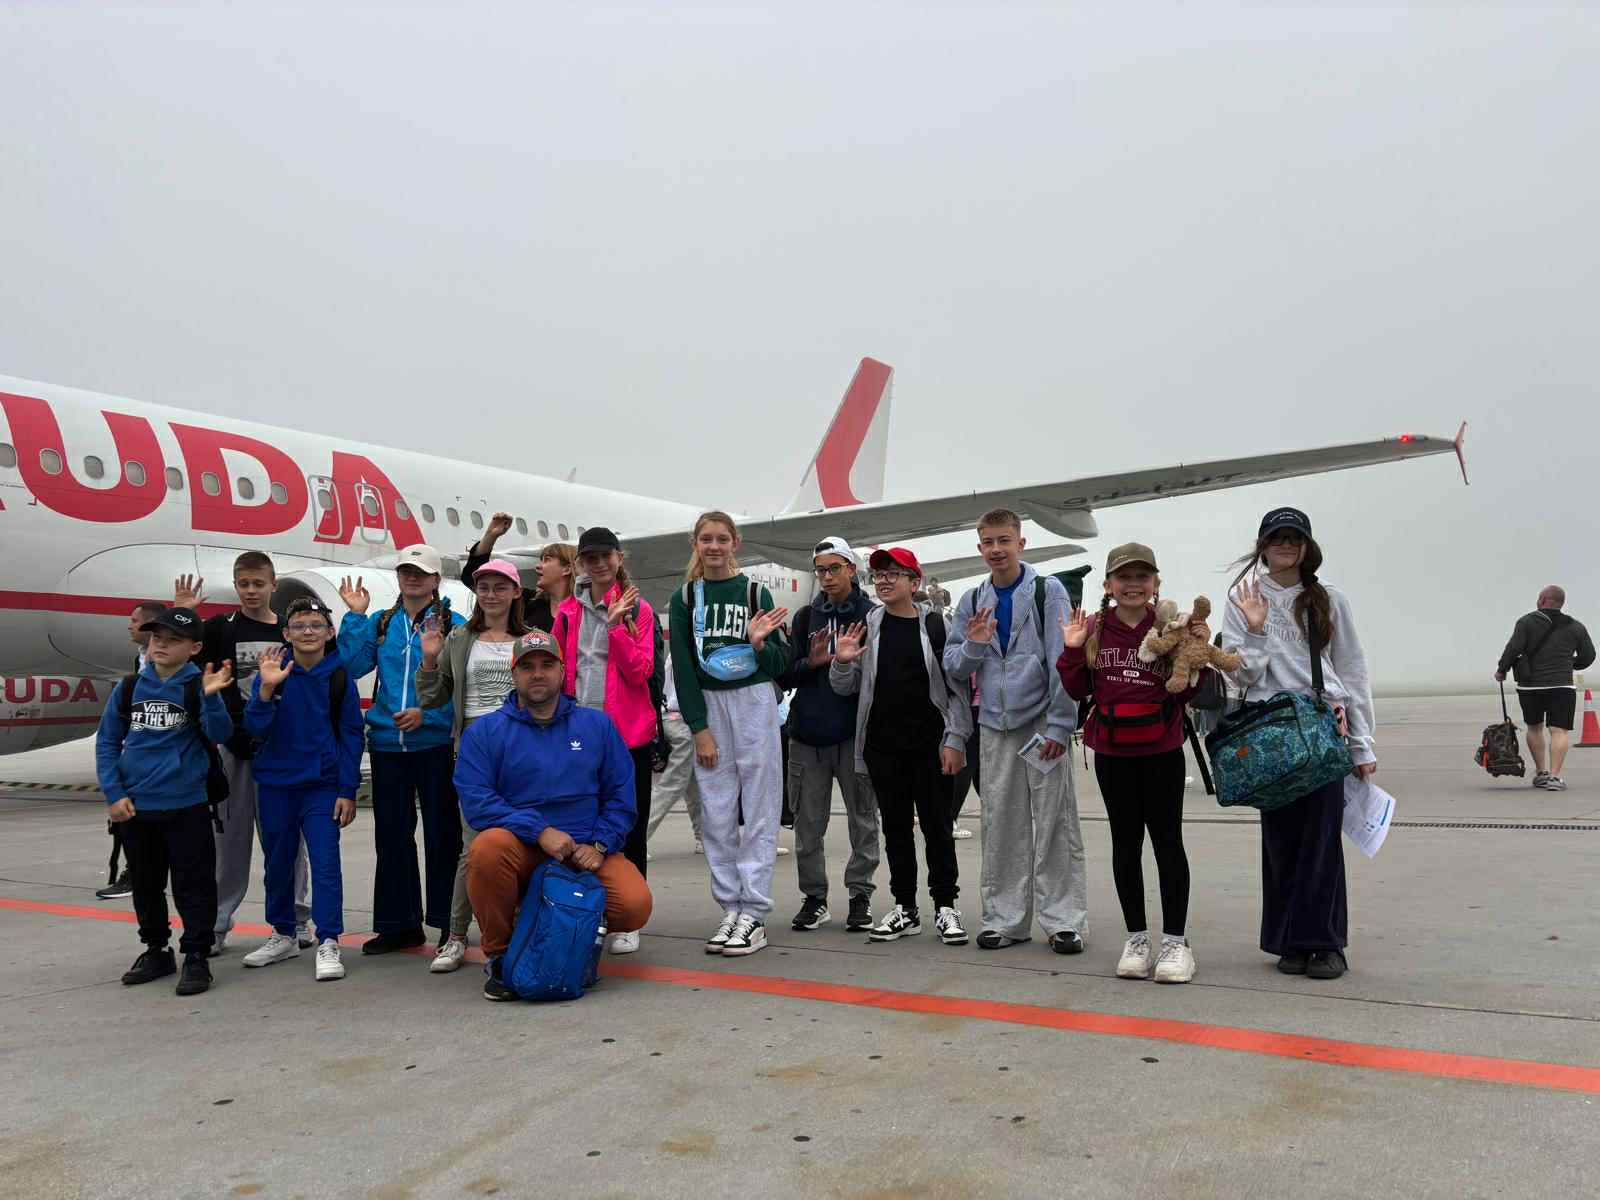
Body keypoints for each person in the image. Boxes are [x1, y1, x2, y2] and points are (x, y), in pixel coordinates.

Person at [455, 629, 653, 1001]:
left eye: (547, 665)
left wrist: (600, 844)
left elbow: (621, 796)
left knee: (634, 904)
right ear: (513, 673)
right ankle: (500, 956)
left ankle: (574, 933)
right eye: (527, 666)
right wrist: (539, 831)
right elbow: (478, 801)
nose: (537, 674)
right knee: (486, 850)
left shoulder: (596, 726)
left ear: (562, 671)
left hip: (583, 850)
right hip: (523, 847)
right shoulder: (485, 733)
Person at [1222, 507, 1375, 981]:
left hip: (1321, 723)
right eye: (1277, 537)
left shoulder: (1328, 598)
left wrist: (1362, 744)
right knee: (1281, 840)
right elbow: (1241, 676)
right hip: (1270, 730)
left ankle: (1324, 943)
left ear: (1307, 545)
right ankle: (1289, 940)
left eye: (1293, 537)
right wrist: (1255, 630)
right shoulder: (1242, 596)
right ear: (1262, 546)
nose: (1285, 545)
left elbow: (1351, 668)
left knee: (1322, 841)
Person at [1057, 544, 1205, 984]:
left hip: (1161, 750)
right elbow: (1076, 688)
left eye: (1143, 577)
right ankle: (1137, 939)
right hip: (1113, 754)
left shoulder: (1170, 627)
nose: (1133, 585)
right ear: (1108, 585)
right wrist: (1071, 650)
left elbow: (1188, 691)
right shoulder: (1094, 628)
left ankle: (1175, 942)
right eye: (1124, 577)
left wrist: (1196, 651)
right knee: (1125, 844)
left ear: (1156, 583)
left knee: (1167, 843)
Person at [942, 508, 1084, 953]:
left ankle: (1063, 920)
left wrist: (1060, 725)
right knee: (1001, 824)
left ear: (1021, 544)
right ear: (979, 547)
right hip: (995, 727)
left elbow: (1063, 661)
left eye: (1004, 540)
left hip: (1042, 723)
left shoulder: (1047, 591)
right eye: (988, 542)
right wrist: (975, 644)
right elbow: (953, 667)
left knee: (1055, 823)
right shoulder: (971, 599)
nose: (996, 549)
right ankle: (1005, 920)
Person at [831, 548, 971, 946]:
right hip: (882, 746)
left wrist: (955, 739)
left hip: (931, 746)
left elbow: (957, 689)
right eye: (879, 575)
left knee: (938, 827)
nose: (884, 581)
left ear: (914, 581)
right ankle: (905, 908)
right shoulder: (869, 626)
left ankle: (945, 906)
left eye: (894, 574)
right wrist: (842, 662)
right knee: (895, 829)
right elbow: (845, 687)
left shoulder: (937, 626)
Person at [667, 510, 790, 958]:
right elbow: (683, 668)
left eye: (722, 538)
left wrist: (759, 643)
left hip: (754, 700)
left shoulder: (755, 591)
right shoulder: (685, 598)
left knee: (760, 804)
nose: (714, 547)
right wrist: (699, 728)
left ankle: (754, 910)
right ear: (695, 544)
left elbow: (781, 664)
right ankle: (730, 906)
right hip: (710, 705)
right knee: (716, 811)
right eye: (706, 539)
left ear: (735, 543)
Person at [175, 554, 311, 956]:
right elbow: (181, 660)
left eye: (258, 583)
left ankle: (296, 920)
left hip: (280, 751)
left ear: (273, 585)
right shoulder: (220, 628)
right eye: (244, 584)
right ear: (236, 585)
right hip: (233, 749)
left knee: (285, 842)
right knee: (228, 845)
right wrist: (184, 615)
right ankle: (216, 925)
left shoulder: (289, 630)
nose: (251, 591)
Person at [94, 607, 233, 996]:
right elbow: (107, 742)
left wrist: (212, 698)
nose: (162, 645)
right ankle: (156, 949)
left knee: (194, 884)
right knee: (146, 884)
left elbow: (220, 734)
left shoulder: (197, 685)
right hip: (137, 807)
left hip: (187, 803)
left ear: (195, 648)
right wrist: (114, 793)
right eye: (157, 638)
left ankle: (196, 955)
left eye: (173, 640)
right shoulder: (129, 688)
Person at [337, 544, 464, 958]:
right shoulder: (381, 622)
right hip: (387, 745)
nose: (412, 577)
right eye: (406, 570)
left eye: (421, 572)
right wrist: (355, 617)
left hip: (435, 745)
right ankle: (399, 926)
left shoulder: (455, 625)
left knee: (443, 837)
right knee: (391, 836)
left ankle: (449, 924)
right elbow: (349, 666)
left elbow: (460, 683)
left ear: (436, 580)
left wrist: (428, 714)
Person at [413, 558, 527, 971]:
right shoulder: (461, 638)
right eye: (484, 587)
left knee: (523, 841)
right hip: (475, 752)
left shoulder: (533, 639)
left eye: (500, 587)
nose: (491, 595)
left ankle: (520, 930)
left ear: (516, 592)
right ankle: (457, 935)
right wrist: (430, 659)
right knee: (472, 847)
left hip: (523, 751)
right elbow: (433, 697)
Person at [241, 599, 363, 981]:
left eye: (315, 625)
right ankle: (284, 933)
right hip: (276, 784)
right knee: (278, 863)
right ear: (286, 633)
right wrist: (265, 690)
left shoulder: (339, 677)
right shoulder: (272, 673)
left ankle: (328, 940)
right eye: (299, 625)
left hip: (321, 787)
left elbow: (352, 736)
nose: (307, 631)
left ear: (329, 633)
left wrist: (347, 789)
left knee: (326, 864)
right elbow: (254, 728)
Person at [549, 527, 657, 955]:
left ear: (619, 557)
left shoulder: (638, 610)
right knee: (582, 827)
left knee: (630, 827)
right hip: (578, 736)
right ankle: (590, 910)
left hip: (626, 737)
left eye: (605, 556)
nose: (598, 564)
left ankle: (629, 919)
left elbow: (641, 671)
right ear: (579, 563)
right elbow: (558, 669)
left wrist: (615, 628)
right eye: (589, 557)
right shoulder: (567, 612)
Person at [776, 536, 880, 934]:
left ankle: (860, 895)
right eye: (821, 571)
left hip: (854, 737)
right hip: (808, 735)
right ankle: (814, 898)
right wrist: (812, 662)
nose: (827, 577)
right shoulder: (806, 617)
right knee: (807, 826)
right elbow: (787, 674)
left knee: (863, 821)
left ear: (851, 569)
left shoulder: (872, 616)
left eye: (835, 568)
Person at [96, 601, 170, 902]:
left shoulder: (166, 668)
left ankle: (140, 875)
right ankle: (135, 874)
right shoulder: (137, 662)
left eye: (135, 620)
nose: (129, 625)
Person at [1496, 586, 1595, 792]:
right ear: (1561, 603)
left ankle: (1541, 773)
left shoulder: (1526, 622)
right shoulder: (1575, 626)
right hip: (1562, 685)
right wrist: (1569, 664)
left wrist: (1502, 670)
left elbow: (1513, 648)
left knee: (1534, 727)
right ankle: (1555, 777)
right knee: (1559, 730)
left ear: (1542, 600)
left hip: (1530, 686)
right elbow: (1589, 656)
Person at [463, 514, 576, 633]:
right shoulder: (529, 602)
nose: (538, 566)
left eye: (547, 560)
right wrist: (490, 536)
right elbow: (471, 577)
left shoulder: (583, 611)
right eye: (541, 560)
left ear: (567, 569)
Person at [645, 654, 704, 853]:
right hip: (681, 721)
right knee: (672, 784)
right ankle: (638, 837)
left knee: (694, 783)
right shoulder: (691, 650)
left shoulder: (676, 653)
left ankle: (703, 837)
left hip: (670, 718)